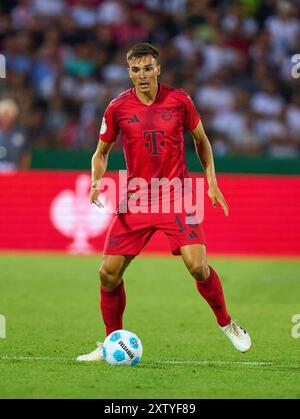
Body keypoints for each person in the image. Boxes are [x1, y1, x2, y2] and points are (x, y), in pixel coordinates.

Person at [77, 43, 251, 361]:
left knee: (198, 267)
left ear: (158, 69)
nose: (141, 75)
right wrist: (96, 179)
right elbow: (100, 153)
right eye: (135, 70)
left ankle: (228, 324)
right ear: (129, 72)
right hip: (136, 198)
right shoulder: (117, 107)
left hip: (177, 196)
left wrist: (212, 183)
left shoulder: (180, 100)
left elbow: (201, 140)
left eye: (147, 68)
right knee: (107, 274)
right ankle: (109, 342)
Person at [0, 98, 30, 171]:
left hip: (15, 172)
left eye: (9, 115)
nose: (6, 118)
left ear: (14, 117)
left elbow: (25, 155)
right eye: (4, 115)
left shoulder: (21, 133)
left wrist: (23, 173)